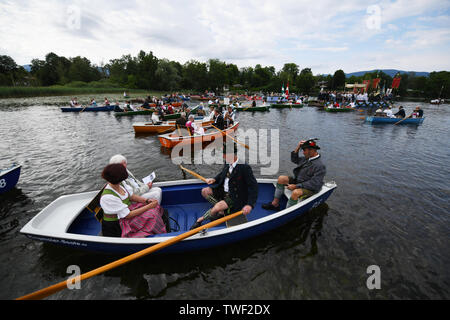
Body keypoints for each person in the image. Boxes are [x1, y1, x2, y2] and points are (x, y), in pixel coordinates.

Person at [190, 142, 258, 230]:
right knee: (204, 191)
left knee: (217, 207)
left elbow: (254, 187)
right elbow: (223, 173)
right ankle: (222, 211)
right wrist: (214, 179)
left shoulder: (244, 167)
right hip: (223, 191)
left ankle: (200, 220)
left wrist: (250, 205)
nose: (223, 157)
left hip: (235, 196)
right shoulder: (228, 162)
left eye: (225, 155)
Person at [99, 163, 166, 238]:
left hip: (126, 212)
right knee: (151, 214)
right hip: (118, 224)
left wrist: (146, 201)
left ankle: (158, 229)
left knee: (155, 208)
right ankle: (157, 234)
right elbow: (128, 215)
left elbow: (131, 196)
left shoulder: (120, 183)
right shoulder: (108, 197)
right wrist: (149, 206)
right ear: (119, 178)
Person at [262, 139, 326, 211]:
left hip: (310, 189)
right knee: (281, 178)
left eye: (304, 150)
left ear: (311, 150)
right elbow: (294, 159)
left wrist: (296, 186)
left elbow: (315, 184)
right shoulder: (307, 158)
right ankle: (275, 204)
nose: (303, 153)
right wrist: (298, 147)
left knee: (296, 192)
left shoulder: (320, 166)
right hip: (299, 182)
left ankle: (286, 213)